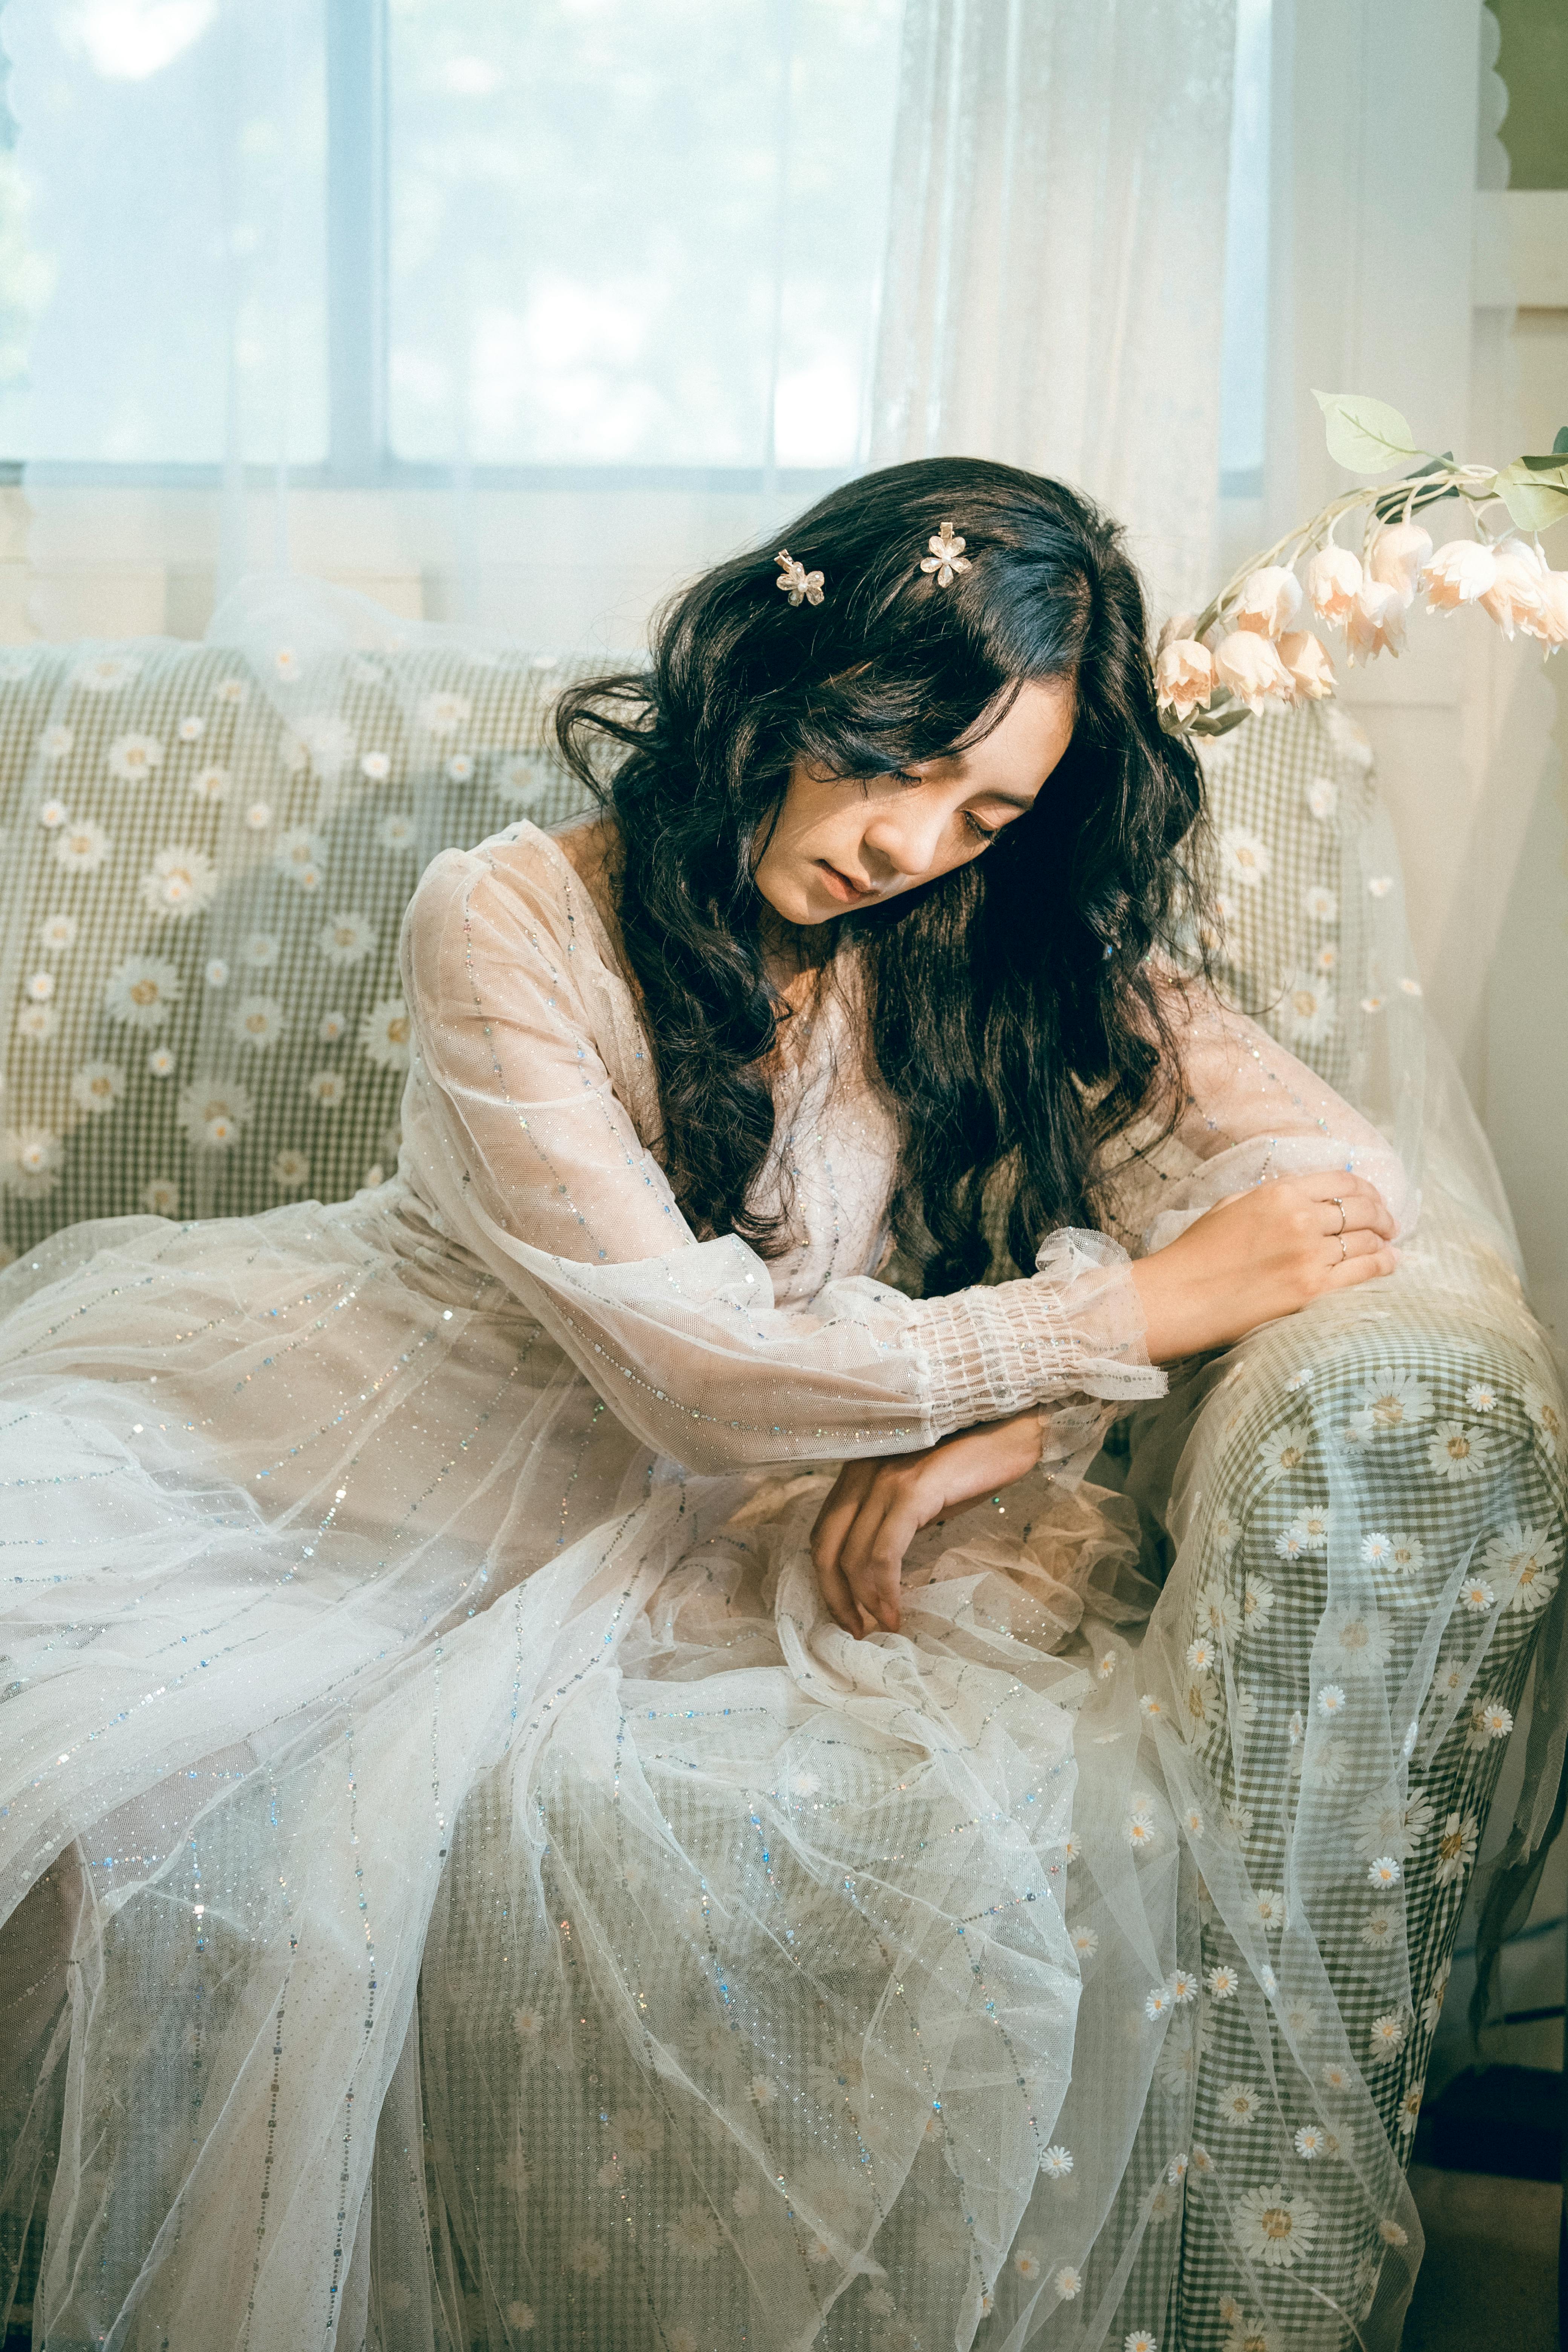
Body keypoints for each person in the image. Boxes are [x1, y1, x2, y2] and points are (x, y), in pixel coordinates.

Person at [0, 458, 1409, 2352]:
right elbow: (701, 1372)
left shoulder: (985, 940)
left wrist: (1001, 1422)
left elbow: (1341, 1192)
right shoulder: (507, 920)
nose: (914, 843)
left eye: (986, 809)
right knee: (122, 1804)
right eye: (892, 764)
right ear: (781, 682)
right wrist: (1127, 1307)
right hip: (338, 1455)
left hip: (679, 1530)